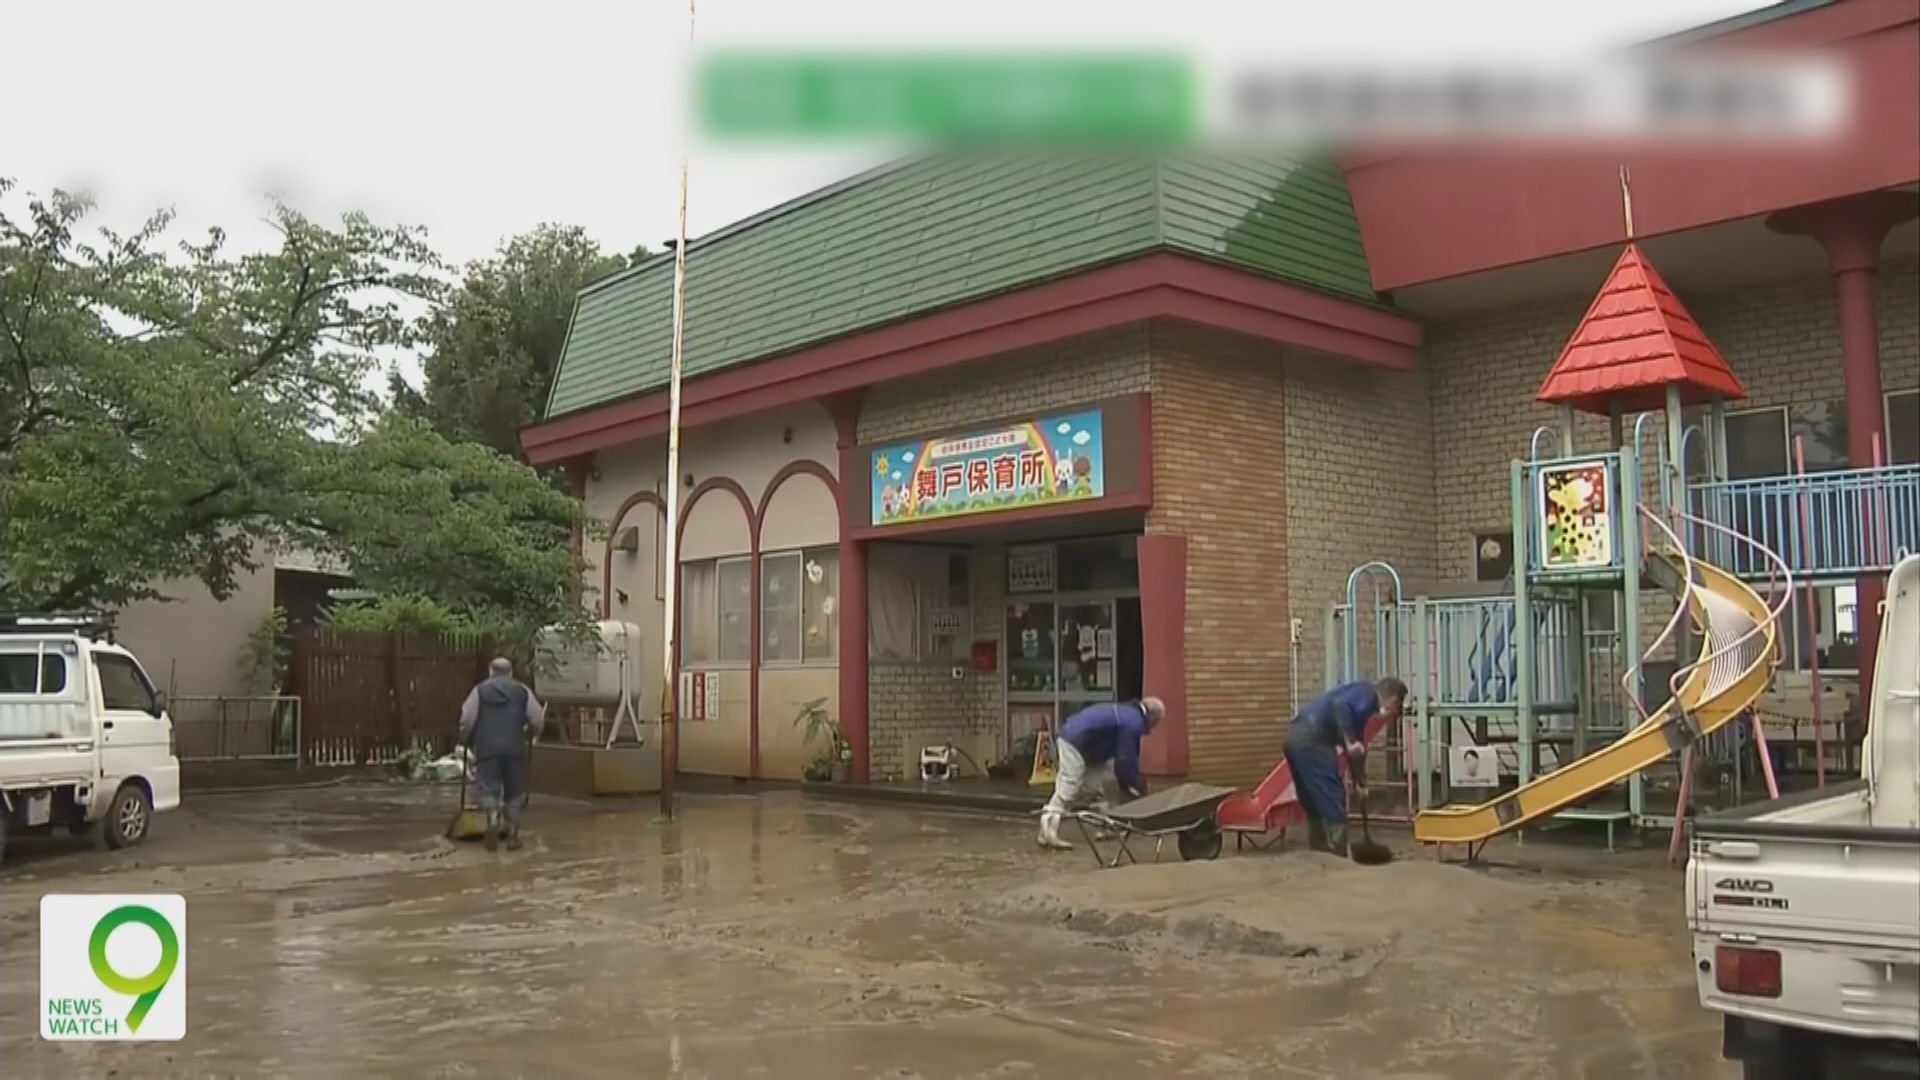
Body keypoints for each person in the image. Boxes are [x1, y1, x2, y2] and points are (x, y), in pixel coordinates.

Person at [1283, 677, 1407, 857]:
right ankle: (1336, 858)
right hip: (1314, 741)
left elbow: (1355, 751)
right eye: (1396, 709)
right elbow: (1340, 707)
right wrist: (1349, 741)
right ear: (1393, 700)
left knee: (1313, 802)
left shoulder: (1359, 707)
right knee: (1333, 798)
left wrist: (1360, 781)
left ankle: (1319, 854)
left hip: (1293, 738)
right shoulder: (1367, 695)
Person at [1037, 697, 1165, 850]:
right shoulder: (1133, 722)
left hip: (1086, 743)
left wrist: (1129, 779)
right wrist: (1136, 784)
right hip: (1076, 741)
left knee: (1094, 789)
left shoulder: (1127, 713)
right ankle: (1048, 829)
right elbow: (1126, 758)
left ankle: (1108, 825)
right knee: (1069, 784)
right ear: (1152, 718)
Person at [457, 657, 546, 852]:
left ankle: (493, 819)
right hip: (515, 747)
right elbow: (537, 718)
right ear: (511, 672)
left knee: (489, 787)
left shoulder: (479, 691)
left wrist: (465, 737)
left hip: (487, 748)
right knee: (514, 790)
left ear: (491, 671)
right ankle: (513, 832)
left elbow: (467, 719)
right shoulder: (523, 691)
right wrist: (535, 732)